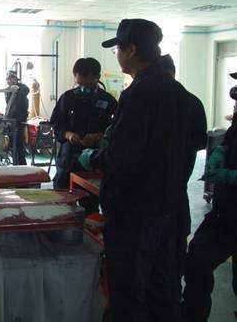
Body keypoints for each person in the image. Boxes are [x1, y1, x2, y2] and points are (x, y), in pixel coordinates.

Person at [78, 19, 193, 321]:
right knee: (162, 286)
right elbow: (189, 145)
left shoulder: (139, 93)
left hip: (134, 209)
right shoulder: (179, 92)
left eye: (117, 48)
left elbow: (124, 156)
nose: (116, 54)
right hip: (169, 204)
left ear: (130, 50)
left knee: (128, 287)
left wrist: (95, 158)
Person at [181, 71, 237, 322]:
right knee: (197, 261)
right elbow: (229, 141)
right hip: (225, 214)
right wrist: (221, 152)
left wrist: (231, 176)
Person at [158, 55, 208, 290]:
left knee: (168, 245)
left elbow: (199, 140)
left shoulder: (186, 102)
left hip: (165, 190)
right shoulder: (191, 101)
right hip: (175, 186)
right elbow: (199, 141)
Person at [50, 57, 117, 190]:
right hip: (68, 158)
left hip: (94, 159)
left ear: (97, 78)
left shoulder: (108, 101)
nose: (83, 88)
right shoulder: (67, 98)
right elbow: (56, 123)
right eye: (79, 84)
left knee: (90, 195)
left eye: (87, 85)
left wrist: (99, 136)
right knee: (63, 194)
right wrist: (68, 134)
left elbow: (116, 128)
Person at [5, 70, 29, 165]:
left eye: (11, 78)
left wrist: (17, 89)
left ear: (15, 79)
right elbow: (9, 105)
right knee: (12, 143)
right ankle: (15, 162)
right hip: (11, 120)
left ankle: (22, 164)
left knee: (19, 143)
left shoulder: (22, 87)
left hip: (20, 120)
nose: (9, 81)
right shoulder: (8, 91)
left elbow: (26, 90)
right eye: (8, 79)